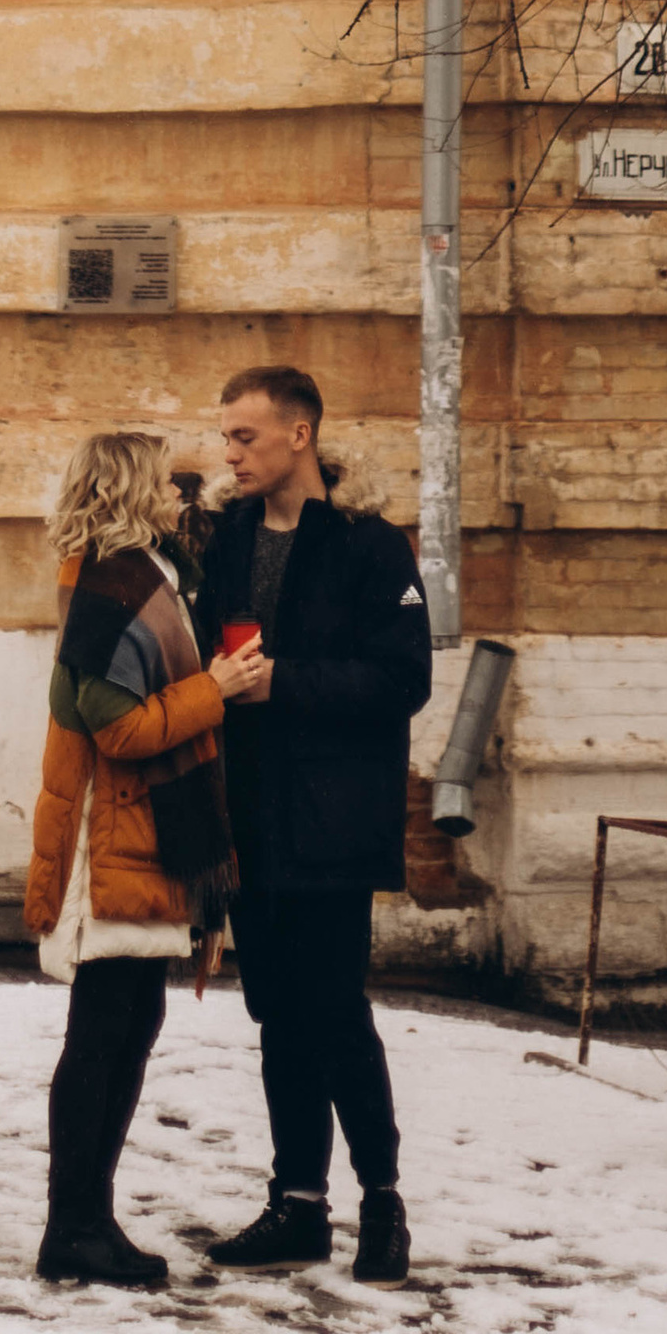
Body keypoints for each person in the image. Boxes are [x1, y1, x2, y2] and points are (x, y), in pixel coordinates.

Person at [194, 362, 432, 1286]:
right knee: (277, 1015)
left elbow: (401, 680)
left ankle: (383, 1203)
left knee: (335, 1013)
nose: (230, 453)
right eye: (226, 437)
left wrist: (282, 682)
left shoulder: (371, 546)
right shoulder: (226, 537)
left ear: (301, 436)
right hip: (247, 818)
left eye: (245, 436)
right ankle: (297, 1205)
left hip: (332, 823)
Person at [24, 427, 237, 1289]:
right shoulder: (114, 585)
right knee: (105, 1032)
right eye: (164, 481)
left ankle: (87, 1219)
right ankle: (72, 1226)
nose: (178, 494)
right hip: (111, 836)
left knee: (125, 1027)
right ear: (128, 490)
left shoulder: (137, 575)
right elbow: (121, 728)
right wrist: (214, 689)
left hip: (132, 832)